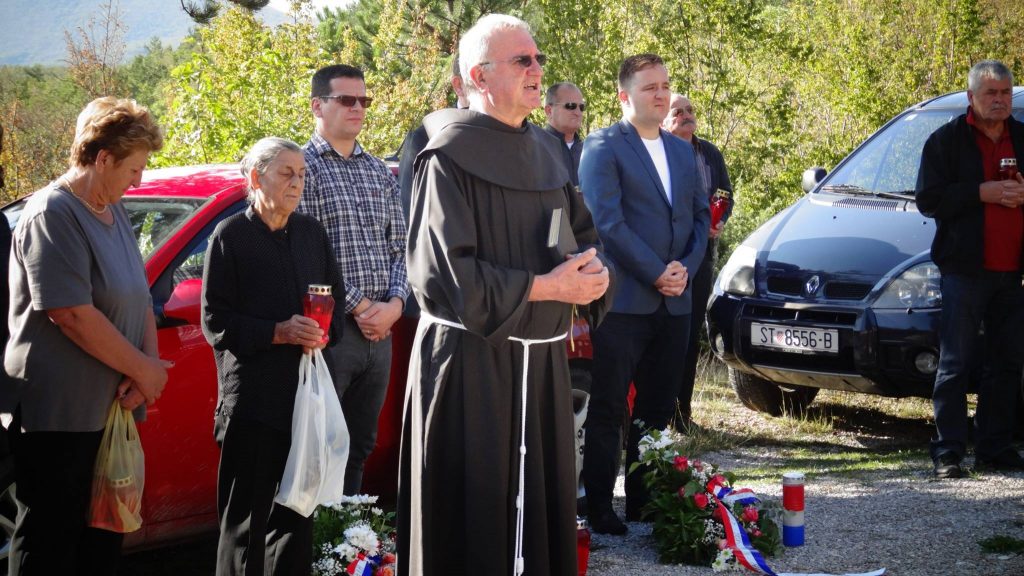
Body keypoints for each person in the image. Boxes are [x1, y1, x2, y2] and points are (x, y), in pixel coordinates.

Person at [398, 14, 612, 576]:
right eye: (523, 60)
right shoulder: (445, 156)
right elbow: (444, 278)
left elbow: (581, 238)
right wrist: (547, 287)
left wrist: (593, 277)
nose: (538, 69)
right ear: (480, 75)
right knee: (474, 524)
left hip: (540, 365)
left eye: (538, 58)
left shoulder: (546, 153)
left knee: (538, 517)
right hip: (470, 367)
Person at [2, 96, 170, 574]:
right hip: (58, 416)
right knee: (52, 544)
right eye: (133, 168)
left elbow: (138, 297)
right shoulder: (52, 213)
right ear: (102, 158)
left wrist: (149, 372)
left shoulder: (113, 211)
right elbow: (70, 313)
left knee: (101, 545)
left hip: (108, 413)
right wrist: (142, 369)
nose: (138, 180)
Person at [579, 54, 710, 534]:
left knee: (657, 409)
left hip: (676, 302)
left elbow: (700, 218)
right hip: (625, 303)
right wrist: (656, 272)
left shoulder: (681, 150)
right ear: (624, 95)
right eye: (649, 86)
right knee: (610, 408)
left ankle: (644, 502)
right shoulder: (602, 147)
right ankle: (598, 508)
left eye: (665, 85)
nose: (660, 93)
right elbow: (606, 224)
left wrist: (684, 270)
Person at [202, 137, 345, 575]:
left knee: (296, 518)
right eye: (287, 173)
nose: (297, 183)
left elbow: (335, 311)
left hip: (303, 402)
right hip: (252, 403)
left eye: (302, 174)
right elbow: (215, 322)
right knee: (245, 522)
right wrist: (277, 332)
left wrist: (321, 335)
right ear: (255, 177)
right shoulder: (231, 236)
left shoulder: (311, 234)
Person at [298, 64, 409, 495]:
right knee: (323, 445)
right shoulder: (301, 169)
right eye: (347, 100)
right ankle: (316, 548)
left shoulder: (378, 170)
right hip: (334, 332)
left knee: (360, 444)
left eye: (364, 100)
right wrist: (362, 308)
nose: (358, 108)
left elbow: (401, 248)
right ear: (317, 105)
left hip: (381, 332)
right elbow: (308, 255)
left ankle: (348, 547)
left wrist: (395, 306)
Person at [916, 59, 1024, 479]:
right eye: (990, 93)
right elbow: (929, 199)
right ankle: (948, 452)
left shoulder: (1021, 137)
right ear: (971, 97)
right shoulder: (946, 141)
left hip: (1013, 270)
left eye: (1004, 93)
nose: (998, 100)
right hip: (965, 270)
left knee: (1006, 363)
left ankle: (995, 447)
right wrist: (983, 192)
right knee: (956, 363)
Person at [662, 93, 733, 429]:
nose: (687, 116)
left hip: (700, 258)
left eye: (690, 110)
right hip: (663, 257)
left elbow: (725, 194)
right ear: (665, 120)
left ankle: (682, 414)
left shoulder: (709, 153)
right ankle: (654, 415)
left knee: (689, 335)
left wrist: (719, 220)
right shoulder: (657, 151)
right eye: (678, 112)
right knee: (661, 336)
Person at [543, 82, 586, 186]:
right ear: (549, 111)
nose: (578, 113)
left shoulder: (588, 150)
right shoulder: (537, 148)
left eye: (581, 107)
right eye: (571, 106)